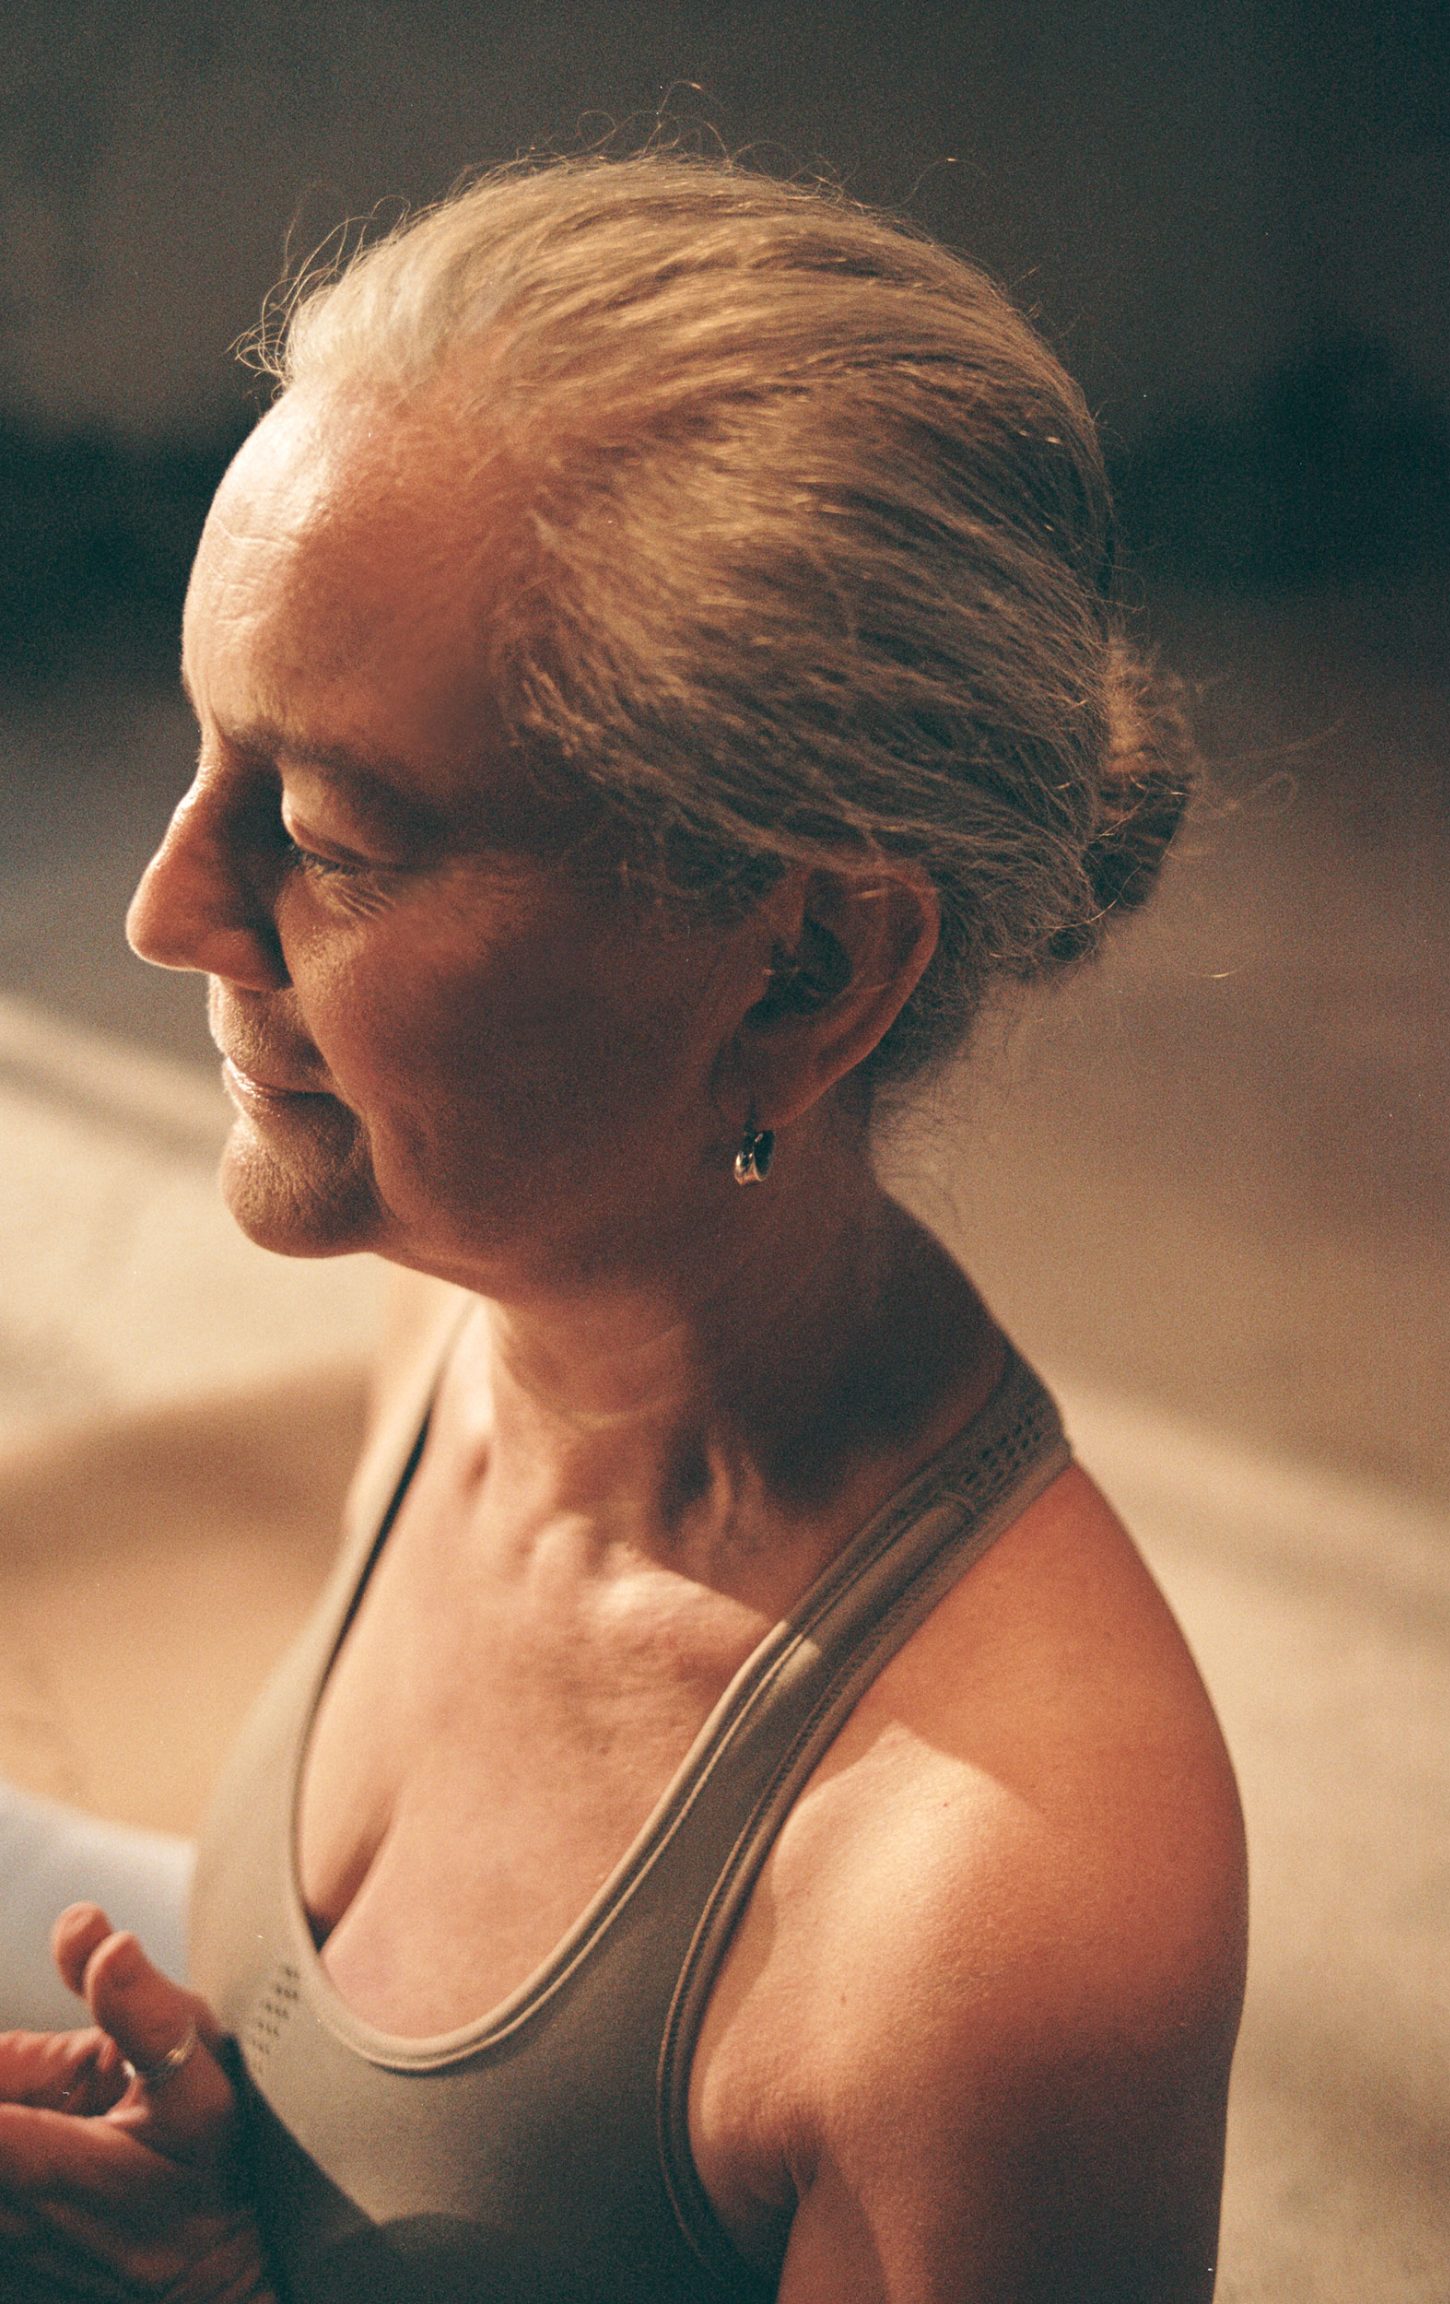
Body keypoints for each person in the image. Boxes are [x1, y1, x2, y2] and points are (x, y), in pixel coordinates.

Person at [0, 154, 1245, 2302]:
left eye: (321, 835)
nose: (162, 911)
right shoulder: (480, 1304)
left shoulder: (994, 1921)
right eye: (204, 759)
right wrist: (231, 2249)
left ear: (800, 973)